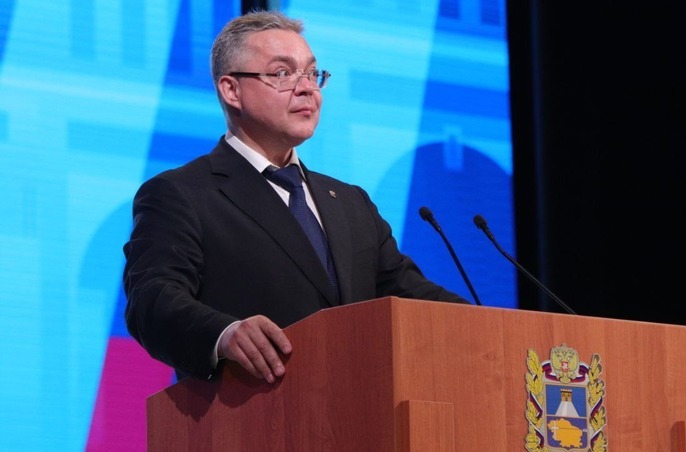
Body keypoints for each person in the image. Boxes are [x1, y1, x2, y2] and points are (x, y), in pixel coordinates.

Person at [122, 10, 468, 383]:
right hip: (252, 409)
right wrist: (225, 334)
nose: (307, 89)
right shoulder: (183, 193)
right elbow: (153, 300)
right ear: (231, 90)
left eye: (312, 73)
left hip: (360, 408)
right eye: (283, 73)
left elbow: (409, 297)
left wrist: (491, 324)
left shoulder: (350, 203)